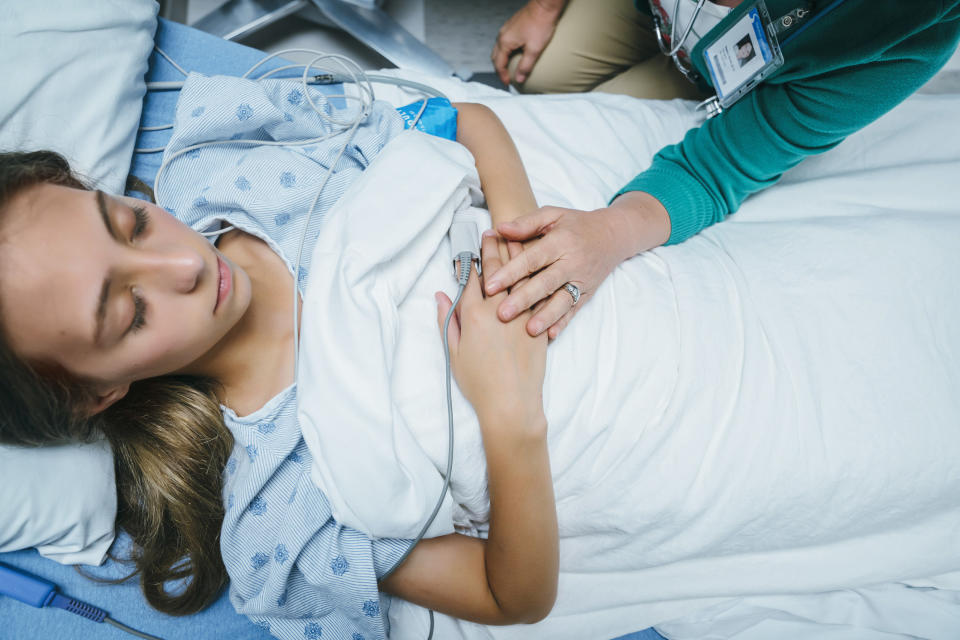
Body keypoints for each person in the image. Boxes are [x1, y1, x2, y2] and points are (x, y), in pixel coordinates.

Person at [0, 101, 558, 634]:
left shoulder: (237, 165)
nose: (187, 262)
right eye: (133, 311)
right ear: (95, 393)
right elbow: (510, 593)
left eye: (132, 224)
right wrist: (511, 416)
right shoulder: (284, 501)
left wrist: (524, 259)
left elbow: (467, 122)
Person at [488, 0, 960, 341]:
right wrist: (544, 7)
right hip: (651, 15)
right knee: (543, 75)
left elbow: (715, 170)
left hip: (728, 68)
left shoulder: (911, 23)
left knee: (598, 110)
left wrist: (605, 236)